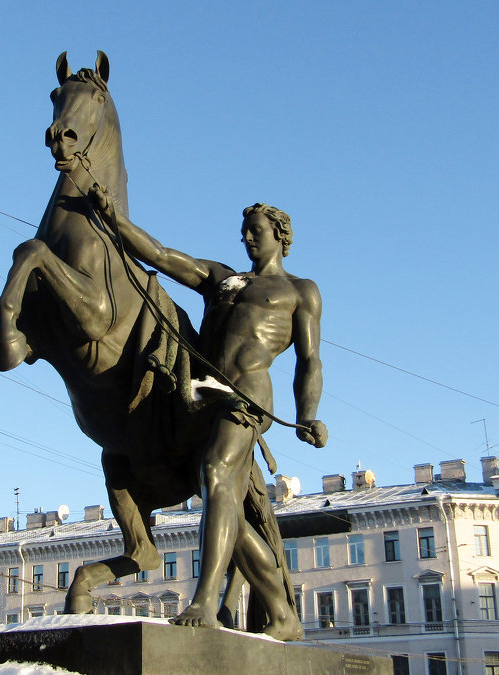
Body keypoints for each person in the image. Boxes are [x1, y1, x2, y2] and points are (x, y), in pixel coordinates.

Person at [90, 185, 326, 640]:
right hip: (198, 393)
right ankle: (282, 614)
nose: (247, 239)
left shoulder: (300, 290)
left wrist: (308, 414)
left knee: (216, 475)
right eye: (243, 233)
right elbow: (161, 255)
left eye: (255, 231)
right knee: (227, 514)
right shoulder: (223, 278)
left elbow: (310, 360)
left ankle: (205, 602)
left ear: (279, 234)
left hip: (247, 395)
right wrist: (112, 217)